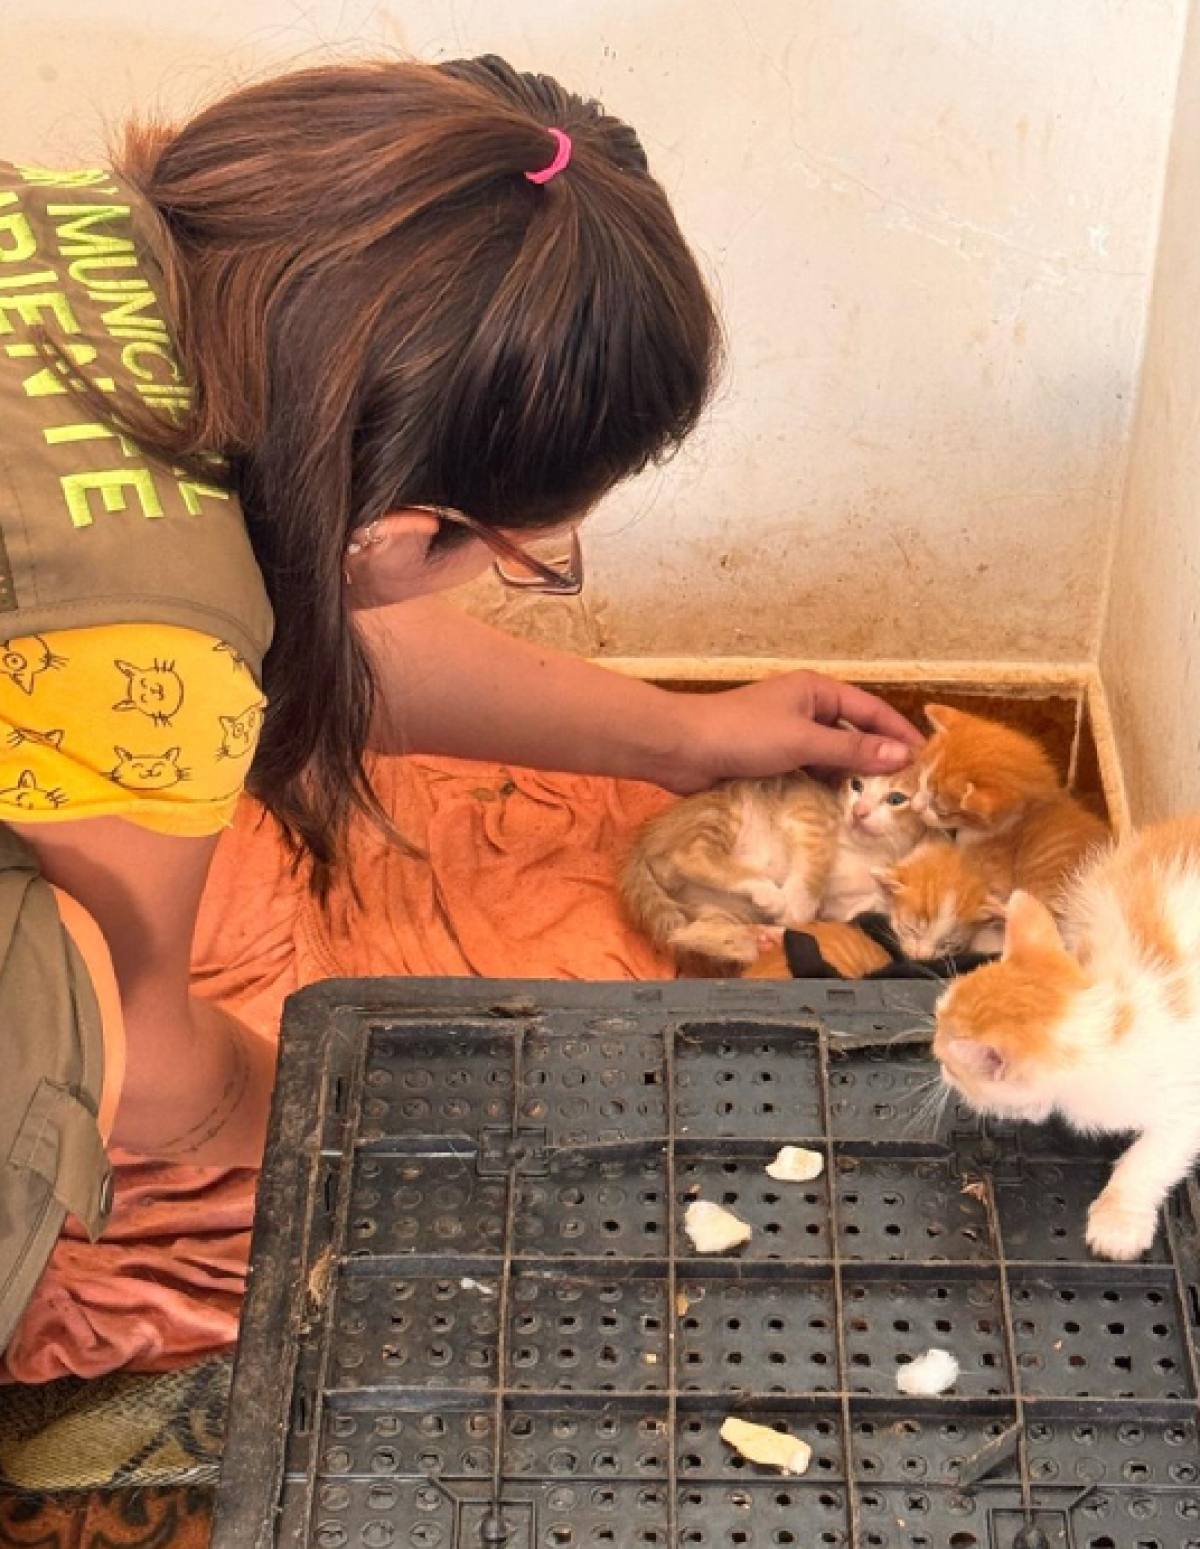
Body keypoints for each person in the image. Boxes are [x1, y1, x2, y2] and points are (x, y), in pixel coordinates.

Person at [0, 55, 920, 1193]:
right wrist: (354, 1128)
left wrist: (679, 735)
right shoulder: (155, 658)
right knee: (55, 1009)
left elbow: (285, 609)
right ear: (397, 533)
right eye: (527, 555)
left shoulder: (70, 219)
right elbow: (136, 1067)